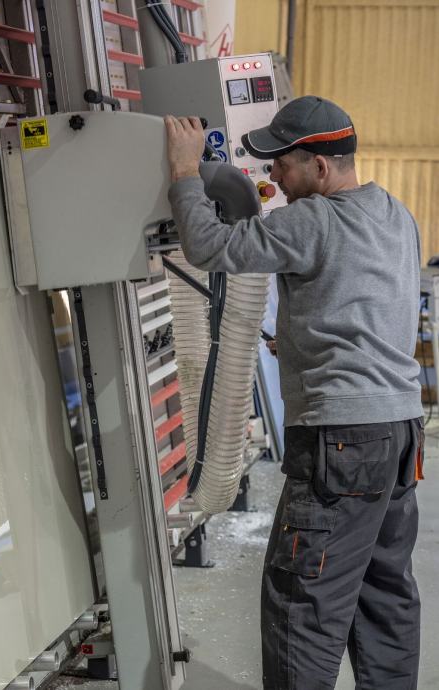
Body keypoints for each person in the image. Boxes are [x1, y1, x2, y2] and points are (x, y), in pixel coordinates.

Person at [164, 96, 424, 690]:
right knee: (383, 597)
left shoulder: (310, 220)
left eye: (282, 163)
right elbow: (371, 299)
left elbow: (207, 246)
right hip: (399, 434)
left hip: (342, 441)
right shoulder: (394, 213)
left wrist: (183, 172)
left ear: (320, 167)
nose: (273, 176)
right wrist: (304, 340)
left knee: (302, 602)